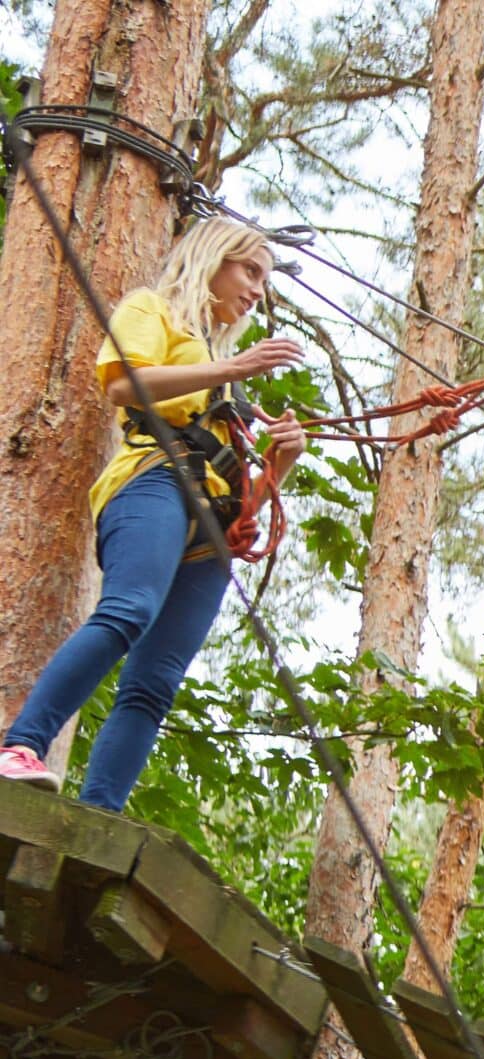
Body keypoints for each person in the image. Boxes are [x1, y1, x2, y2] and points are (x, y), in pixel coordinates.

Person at [0, 218, 308, 806]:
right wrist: (231, 369)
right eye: (249, 271)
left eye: (264, 280)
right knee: (128, 610)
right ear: (213, 259)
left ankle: (101, 812)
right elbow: (124, 386)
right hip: (153, 483)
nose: (256, 290)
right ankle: (22, 744)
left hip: (212, 529)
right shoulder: (153, 311)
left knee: (155, 683)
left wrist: (278, 466)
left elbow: (243, 505)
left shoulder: (225, 375)